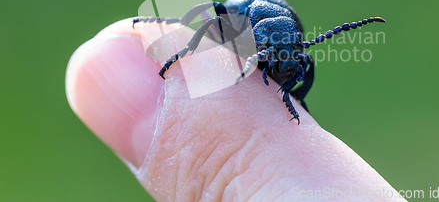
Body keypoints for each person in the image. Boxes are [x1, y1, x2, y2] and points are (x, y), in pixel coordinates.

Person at [66, 19, 404, 201]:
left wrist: (290, 94)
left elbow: (302, 65)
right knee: (211, 16)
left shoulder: (290, 44)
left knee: (304, 63)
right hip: (247, 20)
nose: (283, 62)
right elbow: (214, 16)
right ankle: (180, 40)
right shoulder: (241, 32)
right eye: (274, 54)